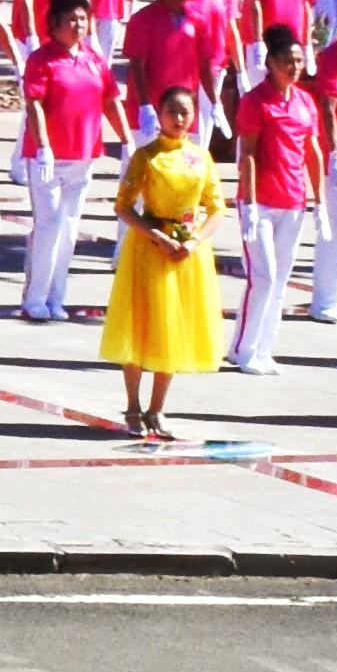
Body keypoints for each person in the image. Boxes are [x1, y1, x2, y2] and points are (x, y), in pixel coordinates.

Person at [102, 81, 227, 443]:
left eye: (184, 111)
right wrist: (154, 234)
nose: (178, 118)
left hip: (186, 252)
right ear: (159, 115)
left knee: (173, 328)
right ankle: (132, 404)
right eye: (171, 111)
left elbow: (217, 207)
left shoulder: (201, 158)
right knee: (141, 324)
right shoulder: (146, 156)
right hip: (150, 248)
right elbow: (123, 206)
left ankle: (157, 407)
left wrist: (196, 240)